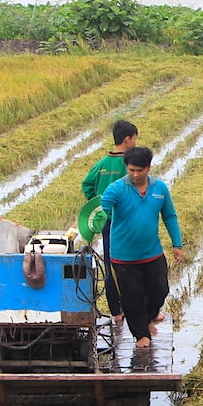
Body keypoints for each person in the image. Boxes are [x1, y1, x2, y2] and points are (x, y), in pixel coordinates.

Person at [100, 146, 184, 348]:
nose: (135, 174)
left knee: (160, 289)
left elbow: (169, 216)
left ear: (149, 167)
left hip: (152, 252)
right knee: (131, 297)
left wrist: (177, 244)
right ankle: (141, 335)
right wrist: (98, 214)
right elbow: (102, 207)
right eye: (131, 170)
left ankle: (147, 319)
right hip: (123, 255)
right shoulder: (117, 189)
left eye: (139, 170)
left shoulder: (159, 189)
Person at [81, 119, 138, 320]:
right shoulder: (129, 166)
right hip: (125, 222)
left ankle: (116, 311)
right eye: (135, 139)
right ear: (128, 139)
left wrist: (96, 204)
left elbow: (87, 184)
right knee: (130, 263)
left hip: (106, 221)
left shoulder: (102, 164)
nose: (136, 144)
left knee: (109, 261)